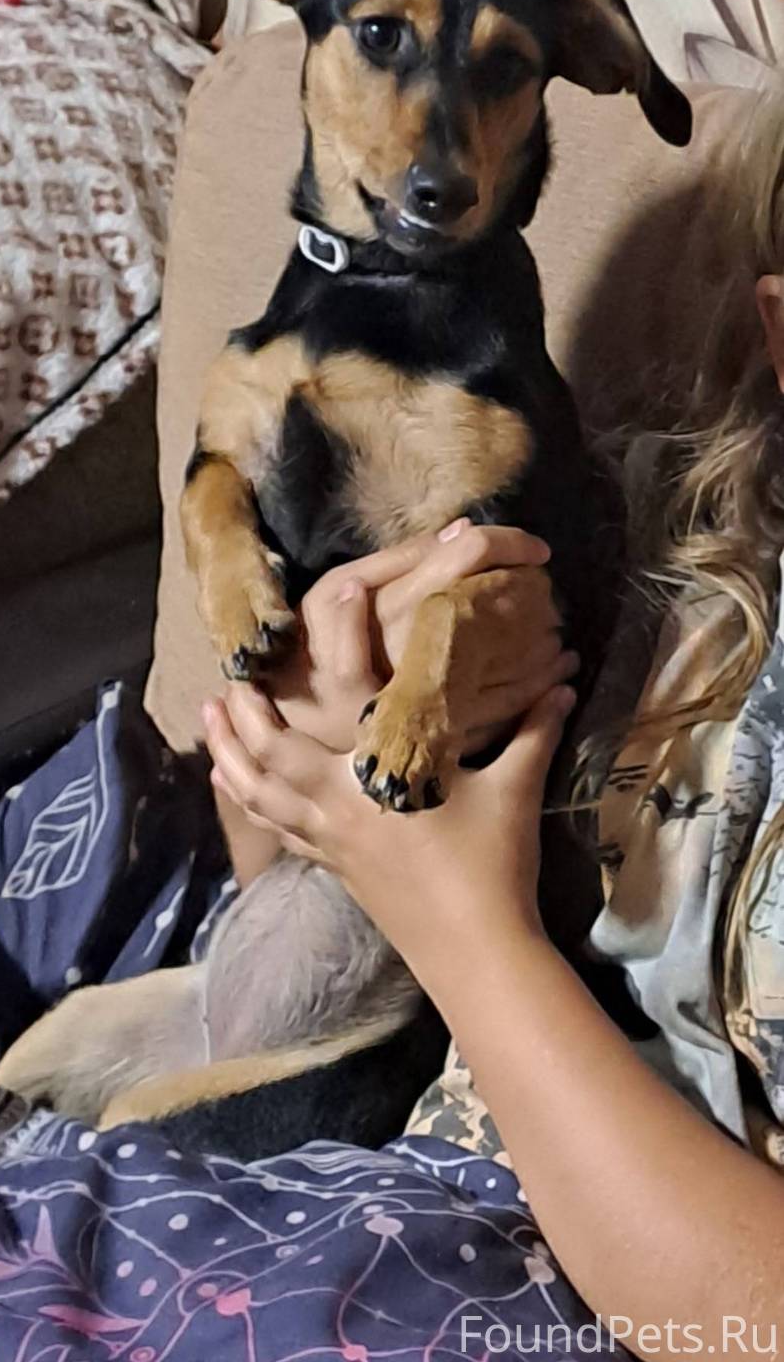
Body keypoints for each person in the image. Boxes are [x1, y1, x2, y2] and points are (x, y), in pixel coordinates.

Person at [202, 85, 784, 1357]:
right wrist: (310, 728)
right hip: (340, 1144)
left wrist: (457, 916)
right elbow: (272, 881)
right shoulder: (643, 541)